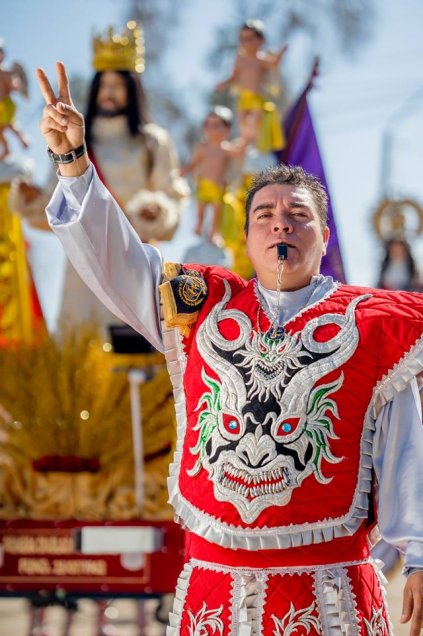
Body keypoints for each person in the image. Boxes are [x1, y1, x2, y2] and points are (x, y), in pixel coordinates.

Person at [37, 63, 423, 635]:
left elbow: (407, 452)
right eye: (265, 216)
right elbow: (122, 263)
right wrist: (73, 164)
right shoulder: (204, 307)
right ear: (246, 238)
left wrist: (419, 556)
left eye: (298, 216)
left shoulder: (372, 324)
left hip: (328, 595)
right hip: (216, 595)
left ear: (325, 236)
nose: (280, 225)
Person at [10, 23, 189, 328]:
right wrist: (33, 199)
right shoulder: (76, 140)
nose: (109, 93)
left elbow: (171, 196)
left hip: (134, 257)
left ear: (132, 90)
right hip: (85, 265)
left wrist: (155, 211)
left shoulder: (151, 141)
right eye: (103, 85)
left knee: (136, 340)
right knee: (82, 339)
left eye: (117, 85)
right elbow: (58, 203)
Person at [215, 19, 287, 153]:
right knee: (243, 124)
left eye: (250, 39)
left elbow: (273, 63)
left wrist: (279, 55)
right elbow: (234, 77)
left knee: (253, 121)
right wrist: (223, 84)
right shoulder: (239, 59)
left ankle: (256, 145)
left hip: (257, 98)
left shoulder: (260, 58)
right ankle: (246, 145)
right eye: (242, 39)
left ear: (260, 40)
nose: (245, 42)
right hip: (244, 98)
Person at [181, 106, 245, 244]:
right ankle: (199, 225)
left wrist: (245, 140)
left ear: (226, 129)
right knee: (201, 207)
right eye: (208, 125)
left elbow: (238, 152)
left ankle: (214, 232)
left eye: (216, 125)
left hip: (218, 186)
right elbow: (193, 164)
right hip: (204, 184)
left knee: (217, 211)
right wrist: (184, 171)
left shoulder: (225, 148)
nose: (212, 129)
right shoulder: (202, 147)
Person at [0, 40, 29, 161]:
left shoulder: (4, 71)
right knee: (3, 128)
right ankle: (7, 148)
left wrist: (17, 85)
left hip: (6, 104)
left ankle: (21, 139)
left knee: (10, 124)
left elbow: (14, 85)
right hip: (2, 106)